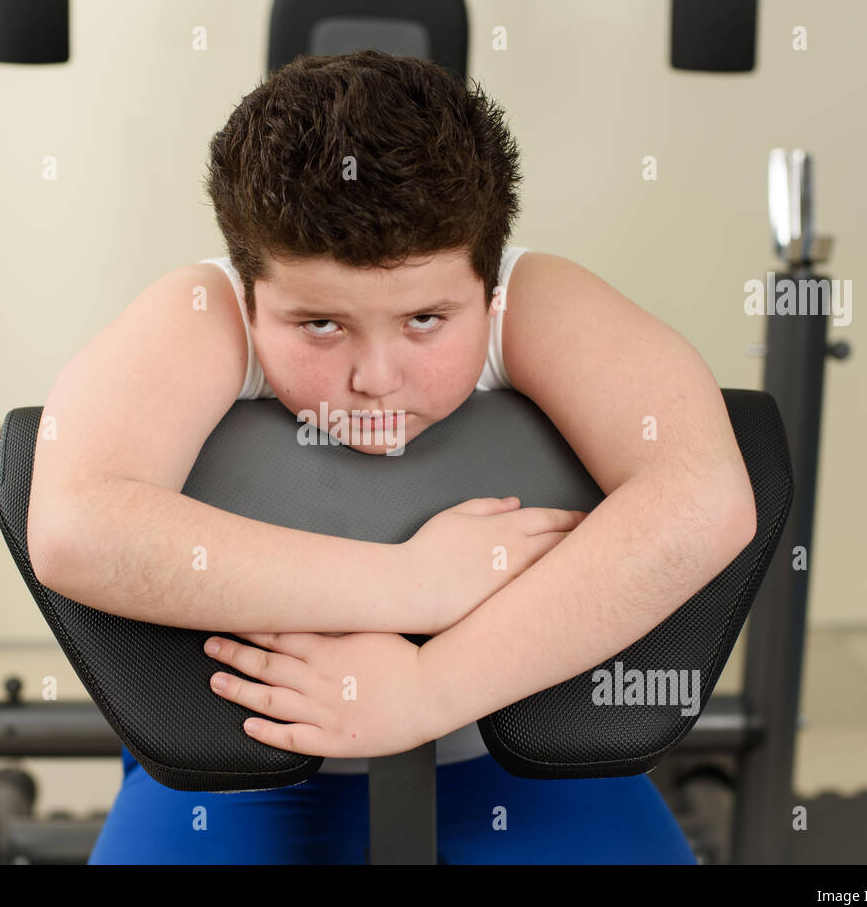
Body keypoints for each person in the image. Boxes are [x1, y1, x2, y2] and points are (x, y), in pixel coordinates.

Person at [39, 50, 730, 863]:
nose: (375, 379)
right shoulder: (206, 312)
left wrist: (426, 691)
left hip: (525, 755)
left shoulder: (532, 300)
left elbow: (703, 496)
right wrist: (410, 583)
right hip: (235, 752)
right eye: (320, 326)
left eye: (427, 321)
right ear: (250, 289)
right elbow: (74, 525)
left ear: (487, 285)